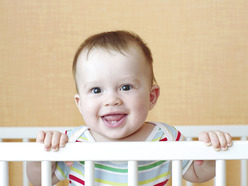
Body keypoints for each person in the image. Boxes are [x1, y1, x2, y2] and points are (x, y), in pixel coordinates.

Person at [26, 30, 233, 186]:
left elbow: (197, 174)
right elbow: (40, 180)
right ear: (80, 104)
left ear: (151, 97)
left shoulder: (164, 138)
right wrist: (41, 155)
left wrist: (214, 152)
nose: (112, 100)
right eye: (97, 90)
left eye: (125, 87)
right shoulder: (73, 141)